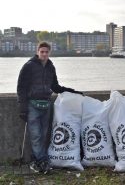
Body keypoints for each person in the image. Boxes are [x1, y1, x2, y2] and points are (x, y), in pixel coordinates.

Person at [17, 42, 83, 174]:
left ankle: (38, 161)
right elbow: (21, 87)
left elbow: (55, 86)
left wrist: (70, 91)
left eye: (46, 52)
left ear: (49, 52)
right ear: (37, 52)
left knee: (44, 135)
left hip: (46, 104)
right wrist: (23, 107)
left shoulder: (51, 67)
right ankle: (41, 161)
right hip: (32, 105)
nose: (44, 54)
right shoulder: (28, 66)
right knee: (36, 135)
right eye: (42, 52)